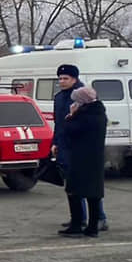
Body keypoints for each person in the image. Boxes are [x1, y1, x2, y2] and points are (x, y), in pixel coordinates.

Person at [52, 64, 108, 231]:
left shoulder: (82, 95)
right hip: (66, 145)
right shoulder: (60, 97)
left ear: (74, 79)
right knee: (72, 185)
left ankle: (99, 218)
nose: (62, 81)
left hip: (80, 150)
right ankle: (78, 218)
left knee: (87, 186)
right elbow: (59, 123)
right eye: (60, 78)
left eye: (65, 78)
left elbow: (76, 124)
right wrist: (56, 142)